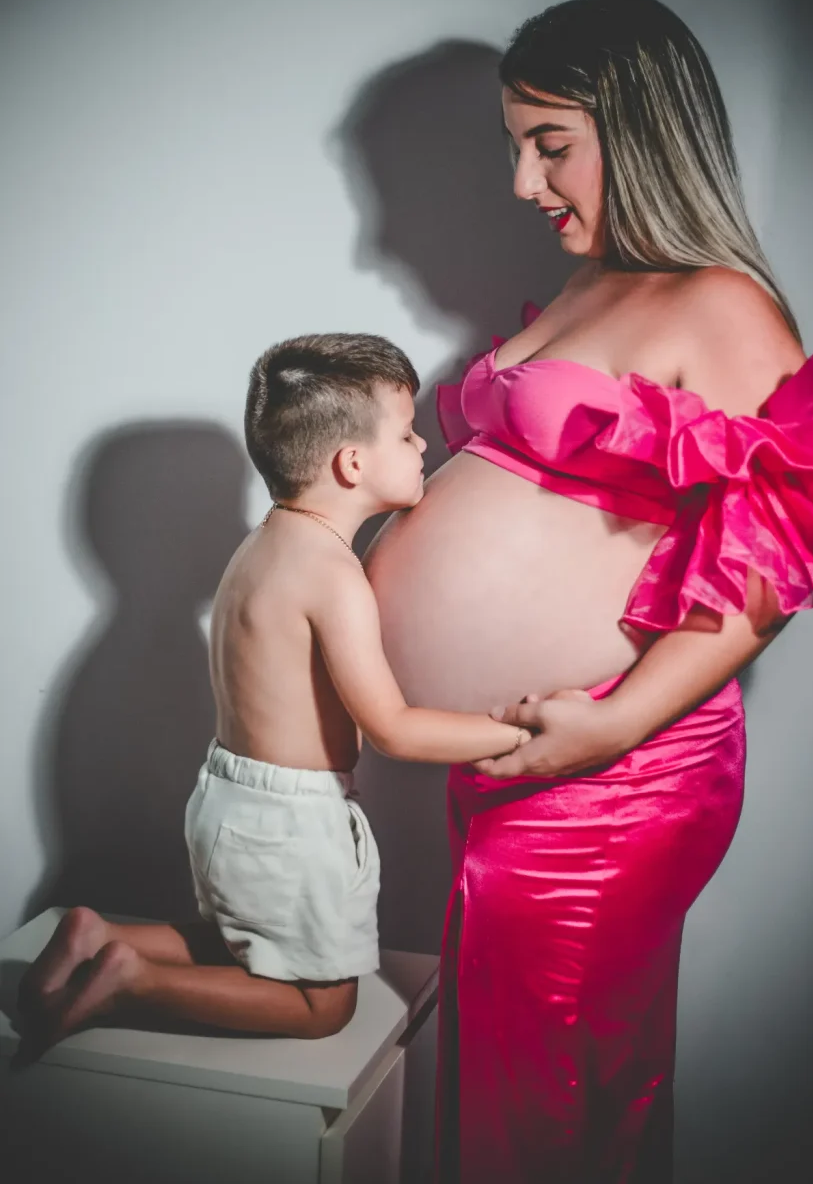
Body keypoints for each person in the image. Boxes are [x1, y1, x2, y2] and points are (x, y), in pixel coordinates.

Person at [362, 0, 813, 1183]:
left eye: (549, 143)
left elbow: (770, 558)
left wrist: (608, 721)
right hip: (533, 761)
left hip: (616, 769)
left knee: (554, 1100)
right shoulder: (590, 284)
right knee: (521, 1076)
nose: (523, 182)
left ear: (644, 125)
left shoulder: (716, 304)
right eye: (515, 146)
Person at [16, 333, 535, 1057]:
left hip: (229, 801)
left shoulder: (261, 546)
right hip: (290, 821)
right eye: (409, 431)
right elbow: (392, 727)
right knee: (322, 1006)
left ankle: (98, 932)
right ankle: (129, 976)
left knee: (243, 940)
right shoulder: (330, 574)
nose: (424, 445)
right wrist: (516, 733)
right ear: (351, 463)